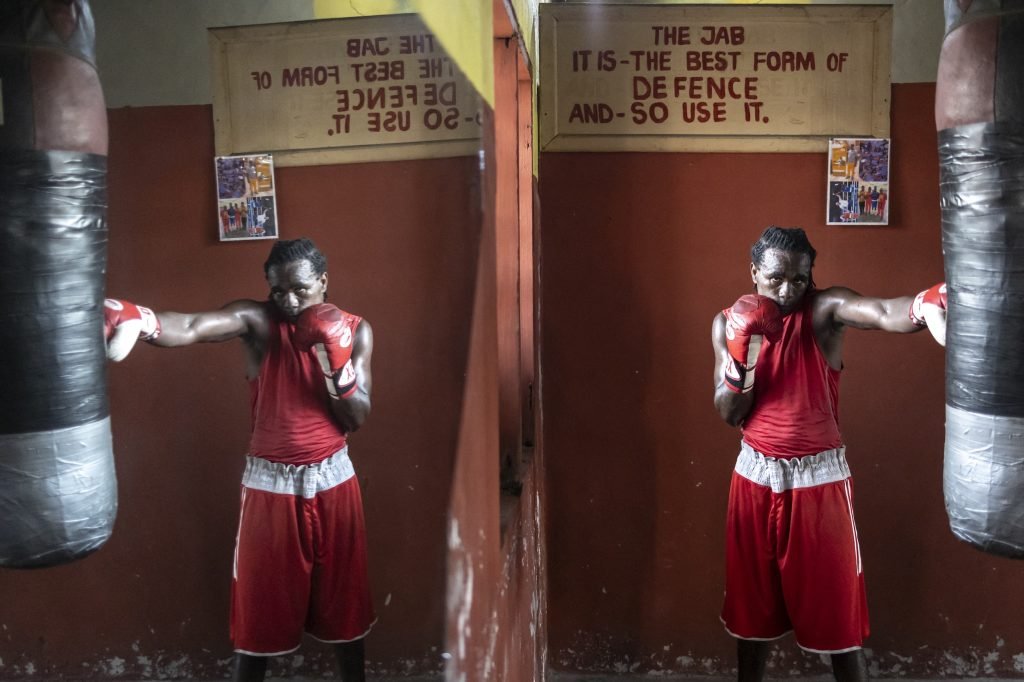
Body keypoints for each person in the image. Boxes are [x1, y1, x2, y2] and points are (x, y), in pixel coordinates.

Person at [104, 238, 375, 682]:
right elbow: (193, 325)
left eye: (300, 290)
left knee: (345, 615)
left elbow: (357, 417)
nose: (288, 301)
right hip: (271, 489)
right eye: (277, 290)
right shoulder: (259, 322)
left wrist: (335, 362)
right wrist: (142, 319)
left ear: (323, 282)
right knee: (257, 622)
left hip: (334, 482)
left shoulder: (357, 329)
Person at [711, 226, 945, 682]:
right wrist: (743, 357)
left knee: (839, 619)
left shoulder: (823, 309)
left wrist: (924, 303)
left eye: (800, 279)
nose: (788, 290)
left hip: (820, 484)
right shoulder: (726, 322)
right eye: (776, 278)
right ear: (754, 271)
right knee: (751, 613)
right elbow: (728, 411)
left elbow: (878, 311)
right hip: (754, 480)